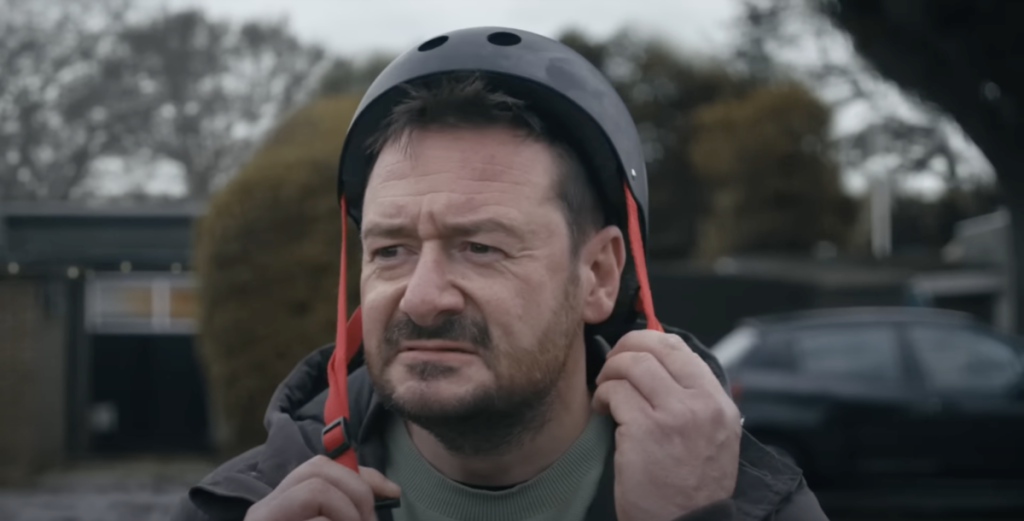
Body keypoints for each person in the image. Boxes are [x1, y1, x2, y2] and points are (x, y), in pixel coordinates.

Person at [172, 27, 827, 521]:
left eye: (480, 246)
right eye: (390, 250)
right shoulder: (247, 504)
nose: (423, 299)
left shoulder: (748, 502)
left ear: (598, 274)